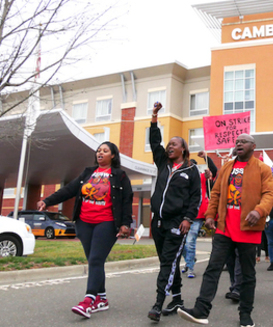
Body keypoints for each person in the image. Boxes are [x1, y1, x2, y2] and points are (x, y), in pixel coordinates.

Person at [178, 133, 273, 327]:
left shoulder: (262, 169)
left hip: (248, 229)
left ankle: (245, 315)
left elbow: (269, 193)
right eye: (237, 141)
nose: (239, 143)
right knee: (213, 268)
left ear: (253, 146)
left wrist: (259, 210)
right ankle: (201, 310)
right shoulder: (227, 167)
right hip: (224, 228)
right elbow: (216, 193)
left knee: (247, 275)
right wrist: (209, 215)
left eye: (243, 141)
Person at [36, 142, 133, 319]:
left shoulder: (119, 175)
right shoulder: (88, 173)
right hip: (84, 222)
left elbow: (127, 200)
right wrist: (47, 201)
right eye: (98, 151)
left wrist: (126, 224)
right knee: (94, 261)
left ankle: (88, 301)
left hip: (106, 222)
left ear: (113, 155)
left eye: (105, 151)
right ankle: (102, 299)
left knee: (96, 259)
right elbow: (69, 190)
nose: (100, 153)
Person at [147, 102, 202, 321]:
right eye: (168, 144)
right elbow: (154, 141)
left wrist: (188, 218)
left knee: (168, 264)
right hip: (157, 223)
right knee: (167, 263)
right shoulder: (162, 163)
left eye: (174, 144)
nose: (169, 147)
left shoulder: (191, 170)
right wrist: (154, 117)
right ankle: (177, 298)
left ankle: (158, 304)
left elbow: (195, 197)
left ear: (183, 150)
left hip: (177, 224)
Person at [182, 151, 217, 279]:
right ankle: (189, 259)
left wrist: (206, 159)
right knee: (181, 243)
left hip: (197, 215)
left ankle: (190, 268)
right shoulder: (182, 178)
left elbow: (212, 170)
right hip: (182, 215)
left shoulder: (201, 178)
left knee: (190, 242)